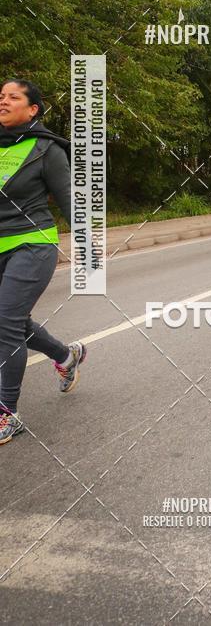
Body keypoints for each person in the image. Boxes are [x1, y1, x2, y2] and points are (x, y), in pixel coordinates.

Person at [0, 79, 86, 445]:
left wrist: (86, 243)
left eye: (12, 97)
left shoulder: (46, 149)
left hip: (33, 244)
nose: (3, 101)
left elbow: (68, 197)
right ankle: (66, 356)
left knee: (5, 321)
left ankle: (7, 412)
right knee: (13, 321)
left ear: (32, 109)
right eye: (0, 96)